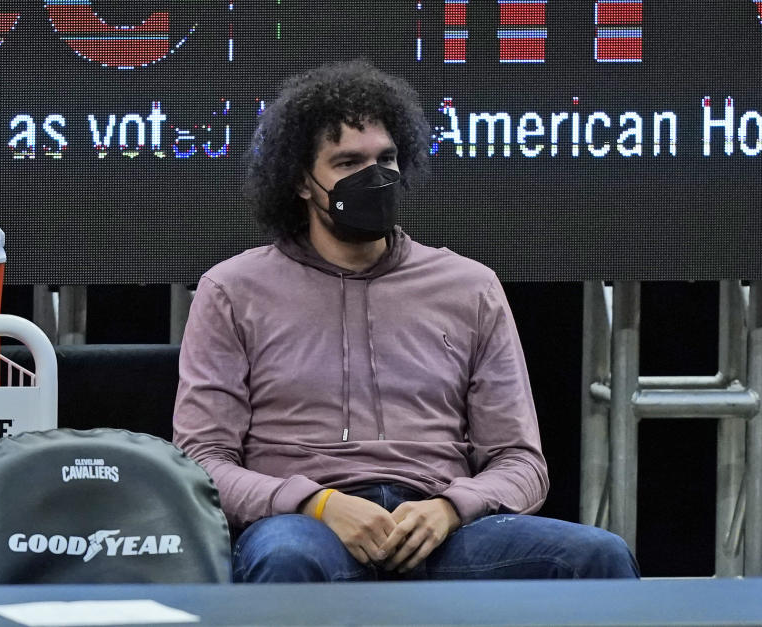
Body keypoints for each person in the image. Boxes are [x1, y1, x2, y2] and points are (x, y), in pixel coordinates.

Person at [173, 59, 639, 582]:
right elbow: (201, 463)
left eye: (386, 158)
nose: (375, 177)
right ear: (302, 182)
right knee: (287, 558)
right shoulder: (233, 290)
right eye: (349, 163)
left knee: (598, 556)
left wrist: (451, 508)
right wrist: (316, 504)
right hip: (304, 525)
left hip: (440, 526)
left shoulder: (469, 286)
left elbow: (521, 463)